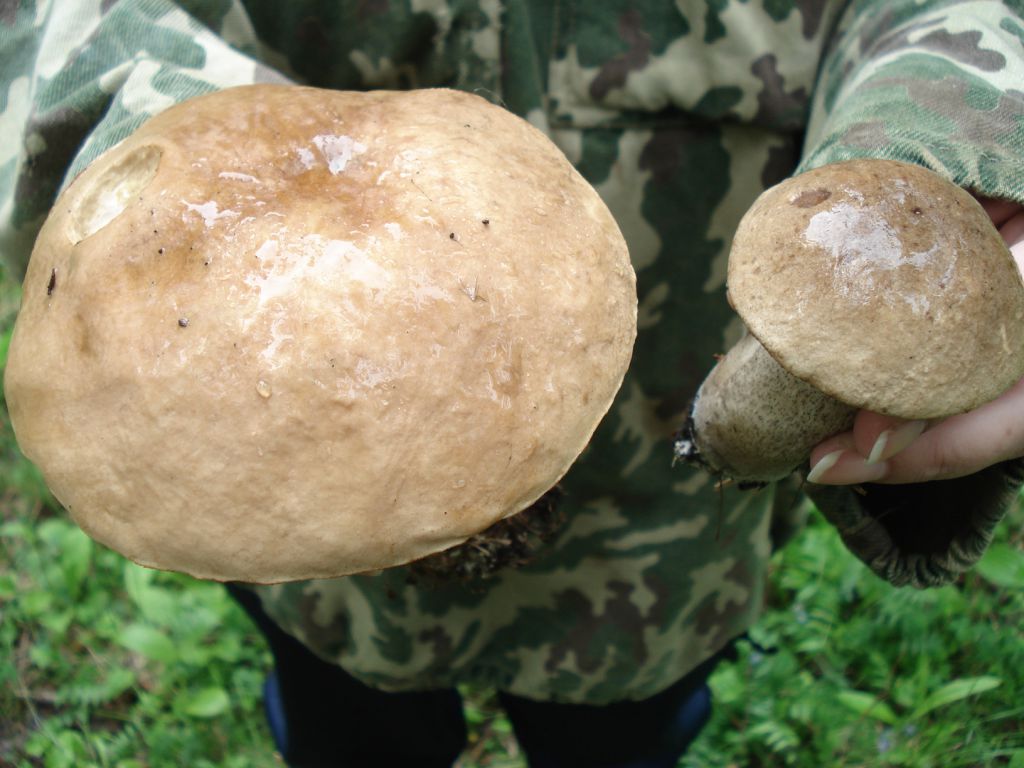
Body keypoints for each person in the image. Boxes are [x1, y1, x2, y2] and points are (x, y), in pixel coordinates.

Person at [3, 1, 1024, 765]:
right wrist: (184, 223)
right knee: (353, 735)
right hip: (302, 499)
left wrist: (939, 179)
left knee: (626, 736)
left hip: (656, 533)